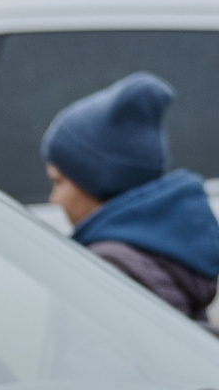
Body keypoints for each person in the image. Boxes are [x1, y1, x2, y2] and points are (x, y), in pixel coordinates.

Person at [44, 71, 219, 321]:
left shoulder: (110, 268)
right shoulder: (160, 256)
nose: (53, 199)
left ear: (97, 181)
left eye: (58, 182)